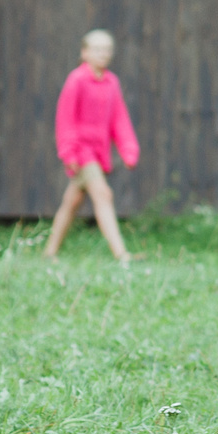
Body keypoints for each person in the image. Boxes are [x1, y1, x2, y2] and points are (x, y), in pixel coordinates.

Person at [47, 29, 139, 264]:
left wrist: (128, 149)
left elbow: (119, 119)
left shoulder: (111, 82)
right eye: (97, 49)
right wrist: (68, 152)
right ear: (85, 52)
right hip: (81, 152)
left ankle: (49, 252)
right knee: (103, 194)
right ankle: (121, 254)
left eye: (107, 49)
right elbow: (65, 118)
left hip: (99, 153)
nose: (103, 54)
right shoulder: (77, 80)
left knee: (72, 202)